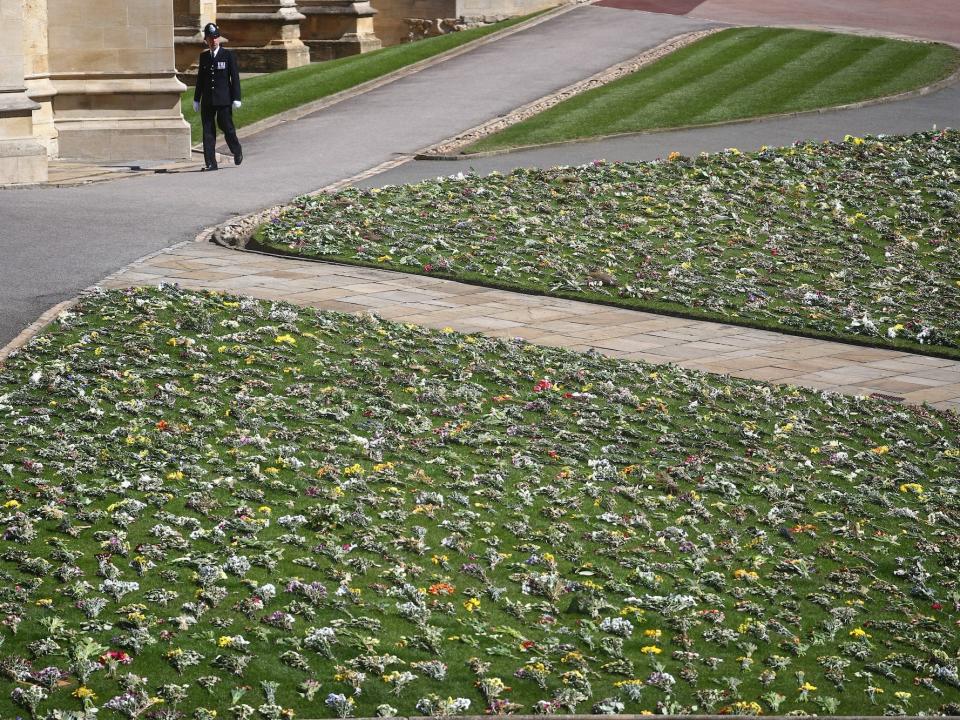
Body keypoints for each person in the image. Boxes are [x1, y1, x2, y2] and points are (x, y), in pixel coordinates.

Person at [193, 23, 243, 171]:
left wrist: (237, 98)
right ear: (206, 40)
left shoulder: (228, 55)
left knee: (227, 127)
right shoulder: (204, 57)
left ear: (218, 38)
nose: (213, 41)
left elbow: (235, 78)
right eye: (210, 38)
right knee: (208, 131)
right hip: (208, 100)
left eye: (215, 37)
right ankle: (210, 163)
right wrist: (196, 98)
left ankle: (236, 150)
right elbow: (200, 79)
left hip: (223, 100)